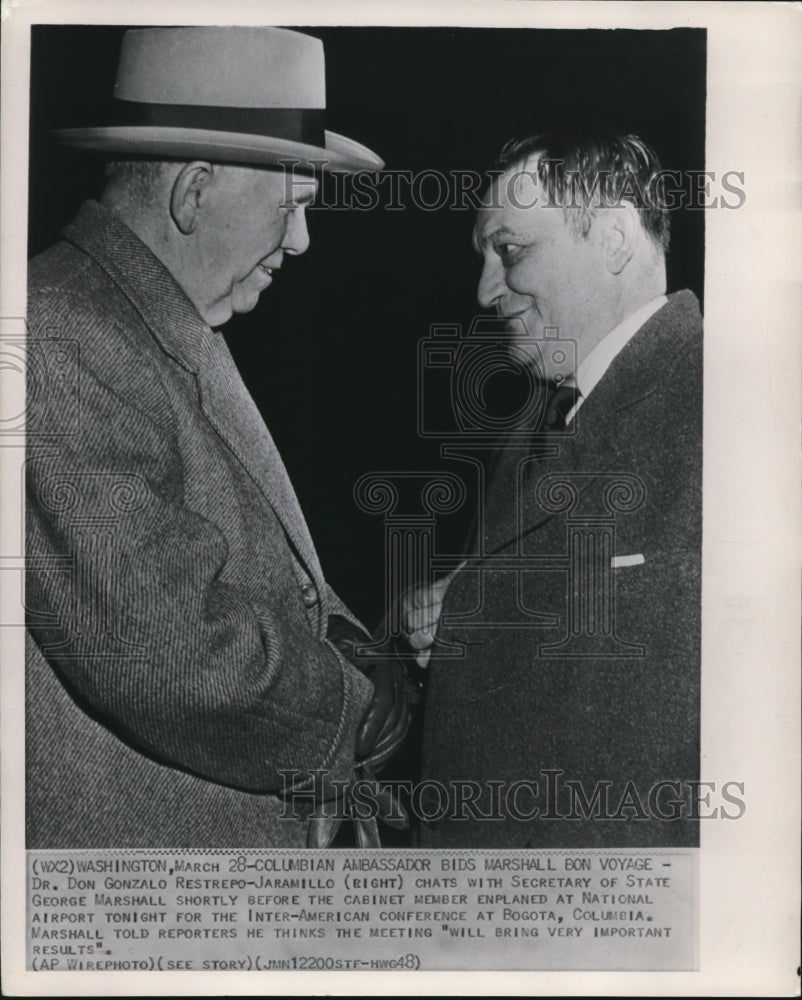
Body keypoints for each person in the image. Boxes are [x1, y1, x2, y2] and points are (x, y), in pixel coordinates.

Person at [25, 26, 410, 849]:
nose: (301, 243)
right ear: (193, 191)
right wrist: (360, 706)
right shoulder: (59, 334)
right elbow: (166, 651)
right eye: (294, 209)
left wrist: (347, 643)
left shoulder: (146, 322)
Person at [407, 131, 702, 848]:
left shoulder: (732, 406)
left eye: (510, 250)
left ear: (610, 238)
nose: (484, 289)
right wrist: (461, 608)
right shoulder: (547, 413)